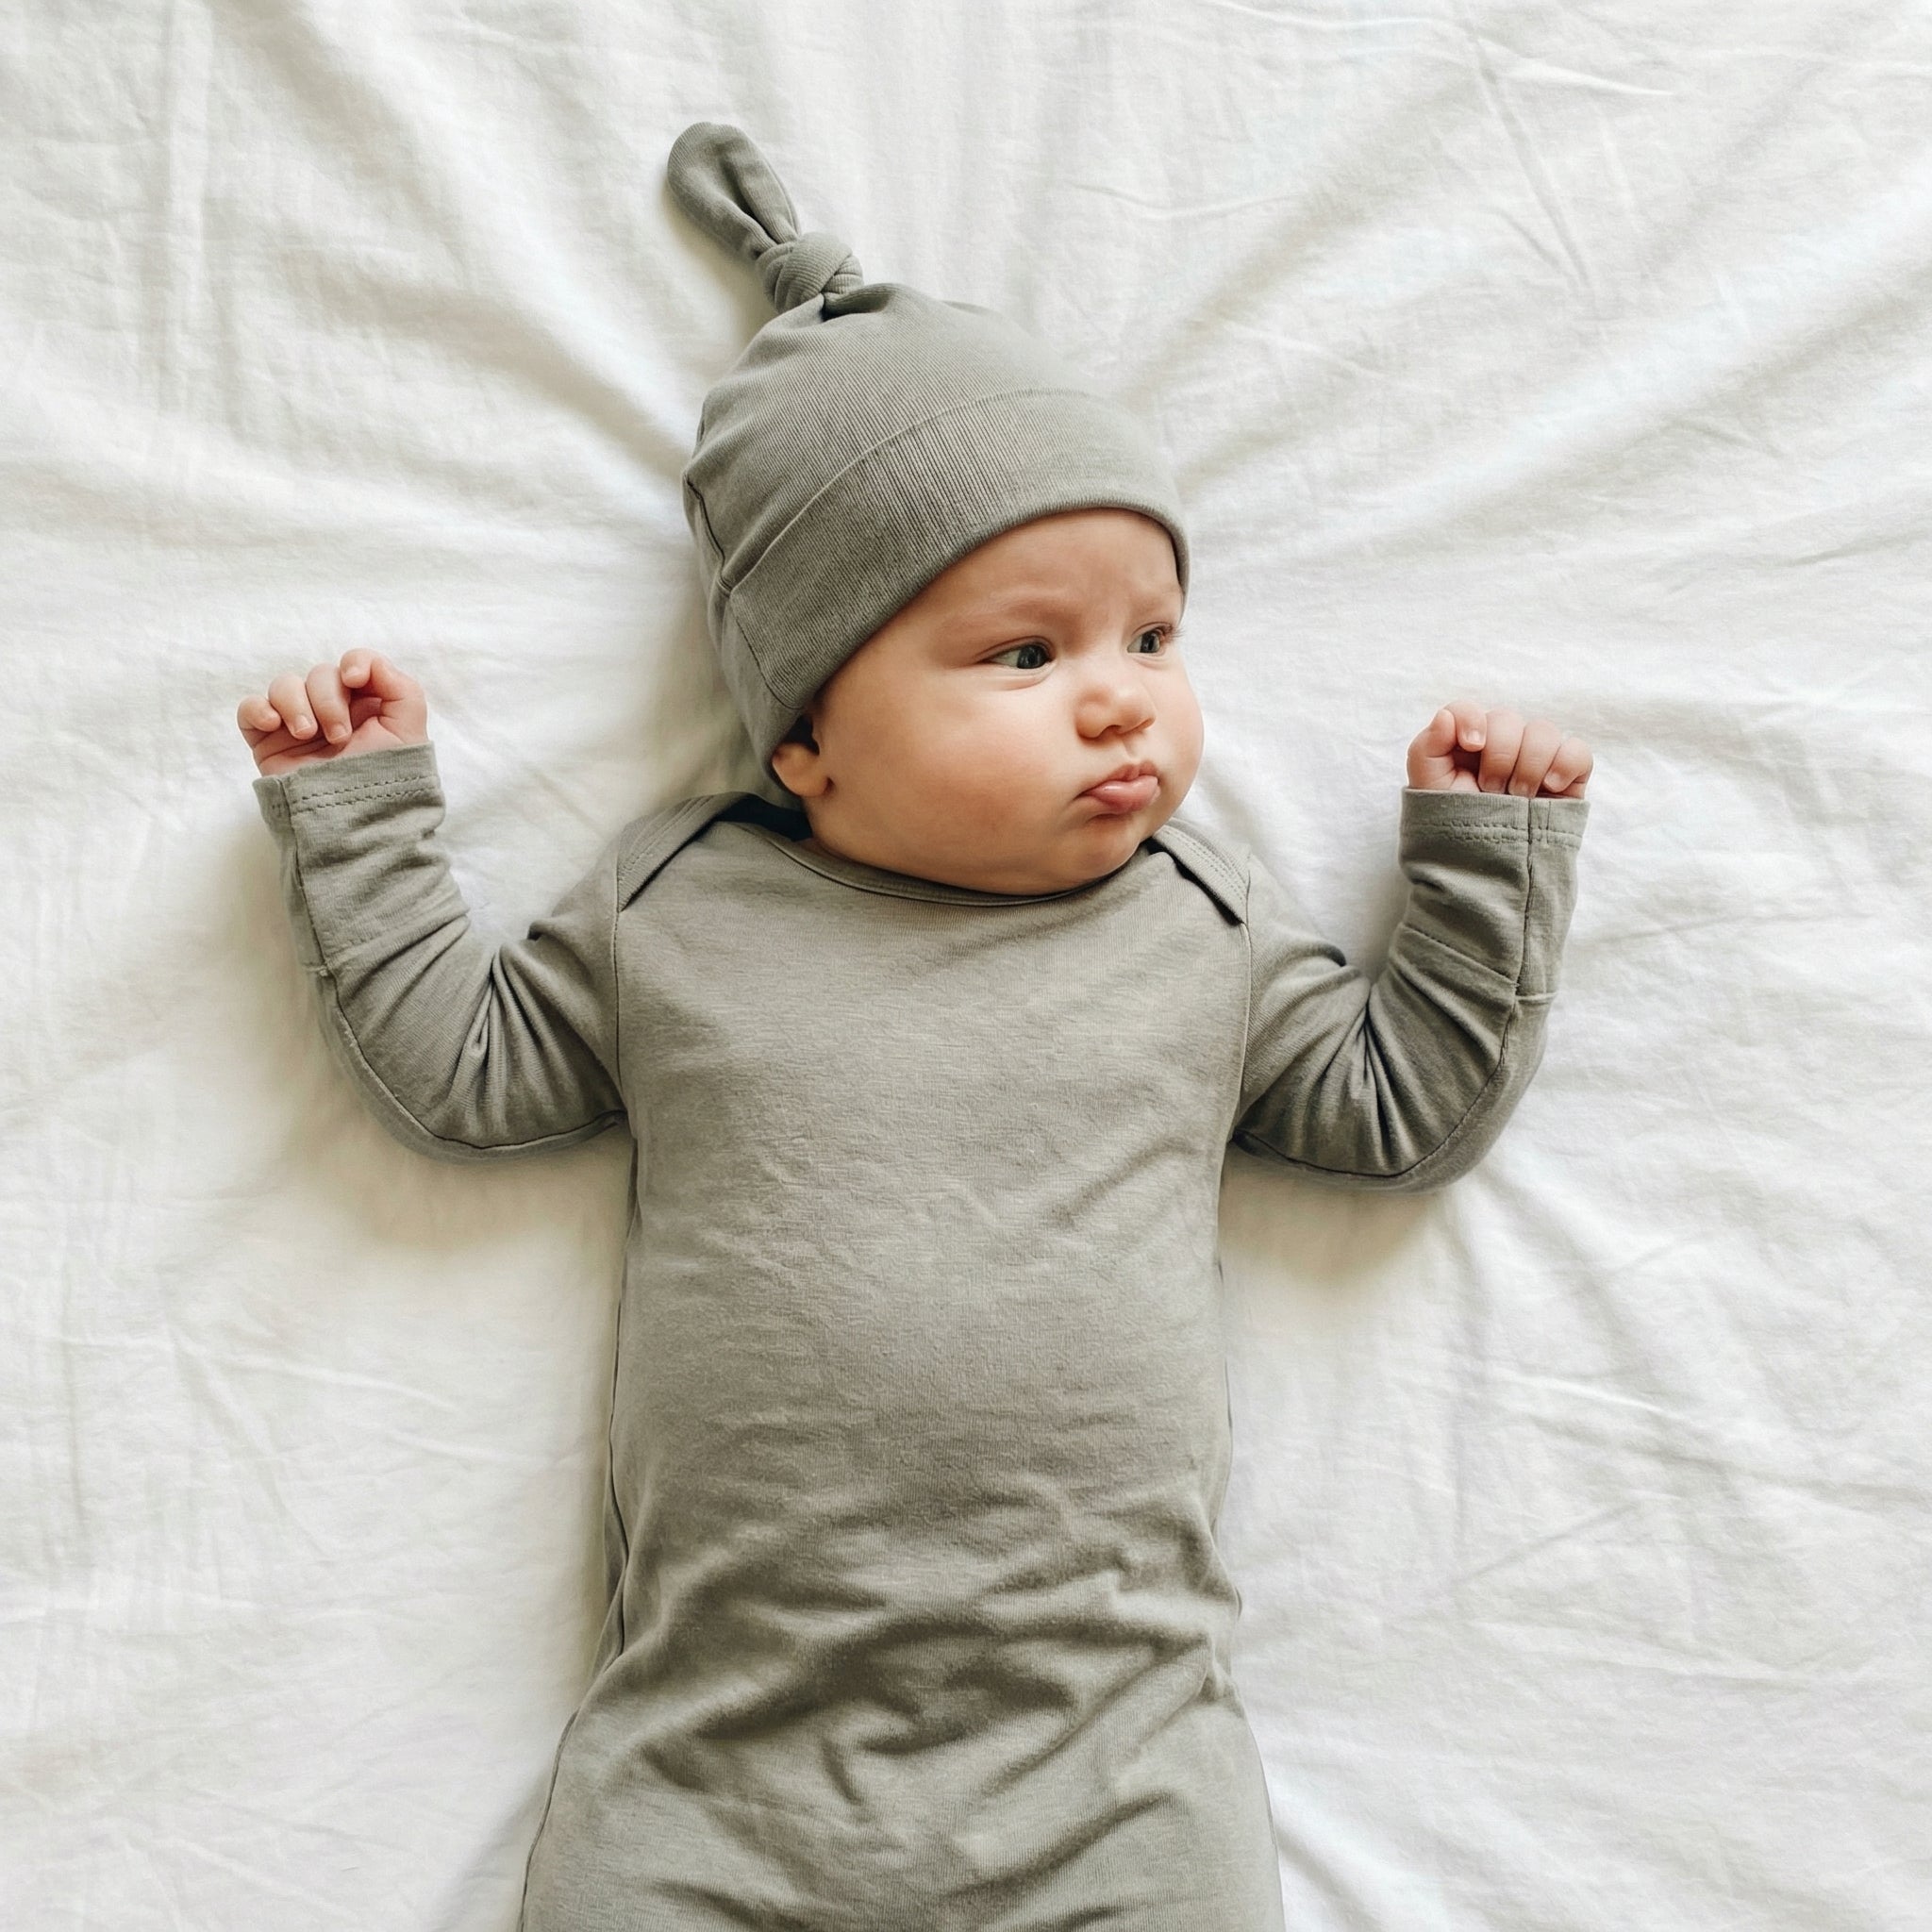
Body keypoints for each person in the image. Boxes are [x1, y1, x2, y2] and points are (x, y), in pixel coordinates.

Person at [236, 123, 1591, 1932]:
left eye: (1155, 635)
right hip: (715, 1760)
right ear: (805, 733)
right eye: (1027, 656)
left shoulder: (1196, 921)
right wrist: (367, 823)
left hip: (1114, 1762)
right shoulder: (680, 906)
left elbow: (1395, 1110)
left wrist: (1479, 867)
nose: (1121, 701)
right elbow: (467, 1078)